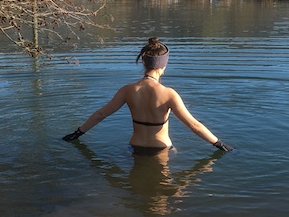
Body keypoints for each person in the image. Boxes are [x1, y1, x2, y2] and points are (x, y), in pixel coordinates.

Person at [63, 37, 233, 152]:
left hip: (135, 148)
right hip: (161, 149)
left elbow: (101, 114)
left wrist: (77, 133)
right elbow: (194, 126)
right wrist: (220, 144)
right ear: (163, 66)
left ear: (143, 62)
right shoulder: (169, 94)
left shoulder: (128, 90)